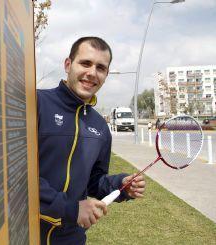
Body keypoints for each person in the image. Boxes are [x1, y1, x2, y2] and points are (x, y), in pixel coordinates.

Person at [37, 37, 146, 244]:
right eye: (85, 63)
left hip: (71, 238)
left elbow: (94, 182)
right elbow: (14, 174)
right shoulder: (36, 103)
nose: (92, 73)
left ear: (105, 75)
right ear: (68, 65)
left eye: (101, 68)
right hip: (25, 233)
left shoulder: (101, 127)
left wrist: (120, 185)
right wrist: (70, 209)